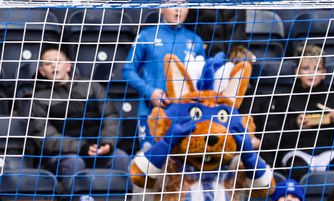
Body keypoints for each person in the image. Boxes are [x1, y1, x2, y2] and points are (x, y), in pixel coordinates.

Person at [16, 46, 131, 178]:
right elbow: (45, 136)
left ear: (68, 66)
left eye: (58, 61)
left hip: (98, 149)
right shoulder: (37, 99)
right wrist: (81, 147)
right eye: (48, 63)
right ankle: (77, 199)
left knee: (120, 157)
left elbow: (111, 116)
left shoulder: (91, 86)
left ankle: (118, 199)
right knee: (74, 162)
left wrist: (107, 143)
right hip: (63, 155)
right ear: (42, 71)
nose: (54, 66)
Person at [257, 43, 334, 180]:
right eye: (306, 68)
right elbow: (274, 138)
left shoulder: (332, 97)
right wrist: (295, 124)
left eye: (317, 68)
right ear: (297, 71)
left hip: (327, 151)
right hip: (296, 151)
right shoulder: (285, 99)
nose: (312, 73)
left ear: (324, 73)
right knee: (298, 169)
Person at [123, 7, 205, 142]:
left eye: (183, 4)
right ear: (161, 8)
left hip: (186, 113)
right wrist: (150, 92)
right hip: (152, 112)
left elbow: (202, 79)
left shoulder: (195, 40)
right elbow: (128, 70)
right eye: (173, 3)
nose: (178, 10)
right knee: (151, 160)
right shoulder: (146, 36)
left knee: (183, 161)